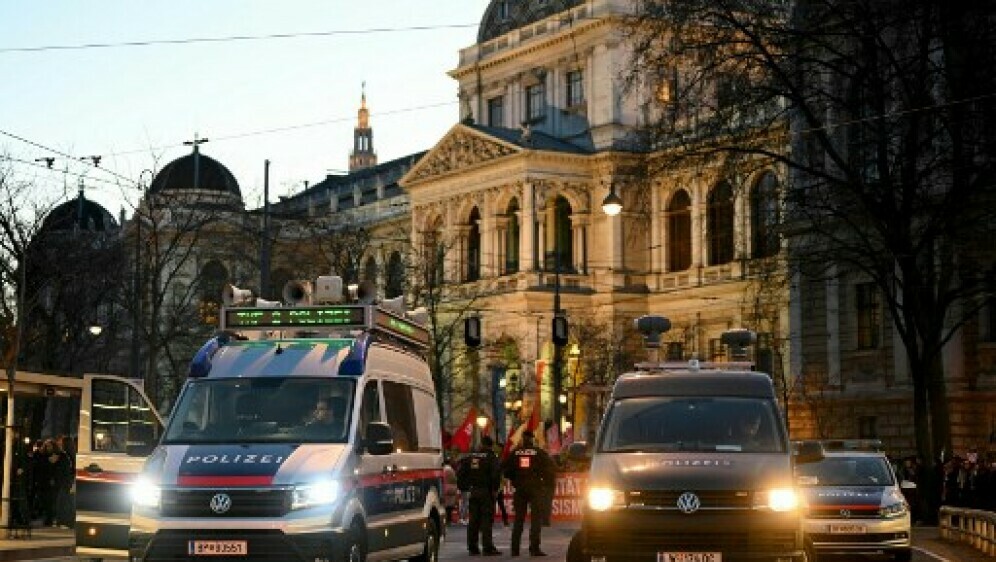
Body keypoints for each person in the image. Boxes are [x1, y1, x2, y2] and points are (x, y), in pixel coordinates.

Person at [502, 429, 556, 557]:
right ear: (532, 439)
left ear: (522, 439)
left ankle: (515, 550)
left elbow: (506, 470)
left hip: (520, 489)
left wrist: (515, 479)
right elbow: (549, 470)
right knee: (536, 519)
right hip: (535, 488)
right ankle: (534, 548)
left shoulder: (515, 453)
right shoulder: (539, 453)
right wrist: (545, 484)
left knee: (518, 520)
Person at [457, 435, 502, 556]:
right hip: (486, 491)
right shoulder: (491, 458)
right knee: (486, 520)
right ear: (491, 445)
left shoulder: (470, 457)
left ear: (481, 444)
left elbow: (461, 473)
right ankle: (487, 547)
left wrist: (464, 487)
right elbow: (496, 474)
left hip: (473, 491)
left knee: (474, 520)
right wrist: (494, 489)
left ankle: (472, 546)